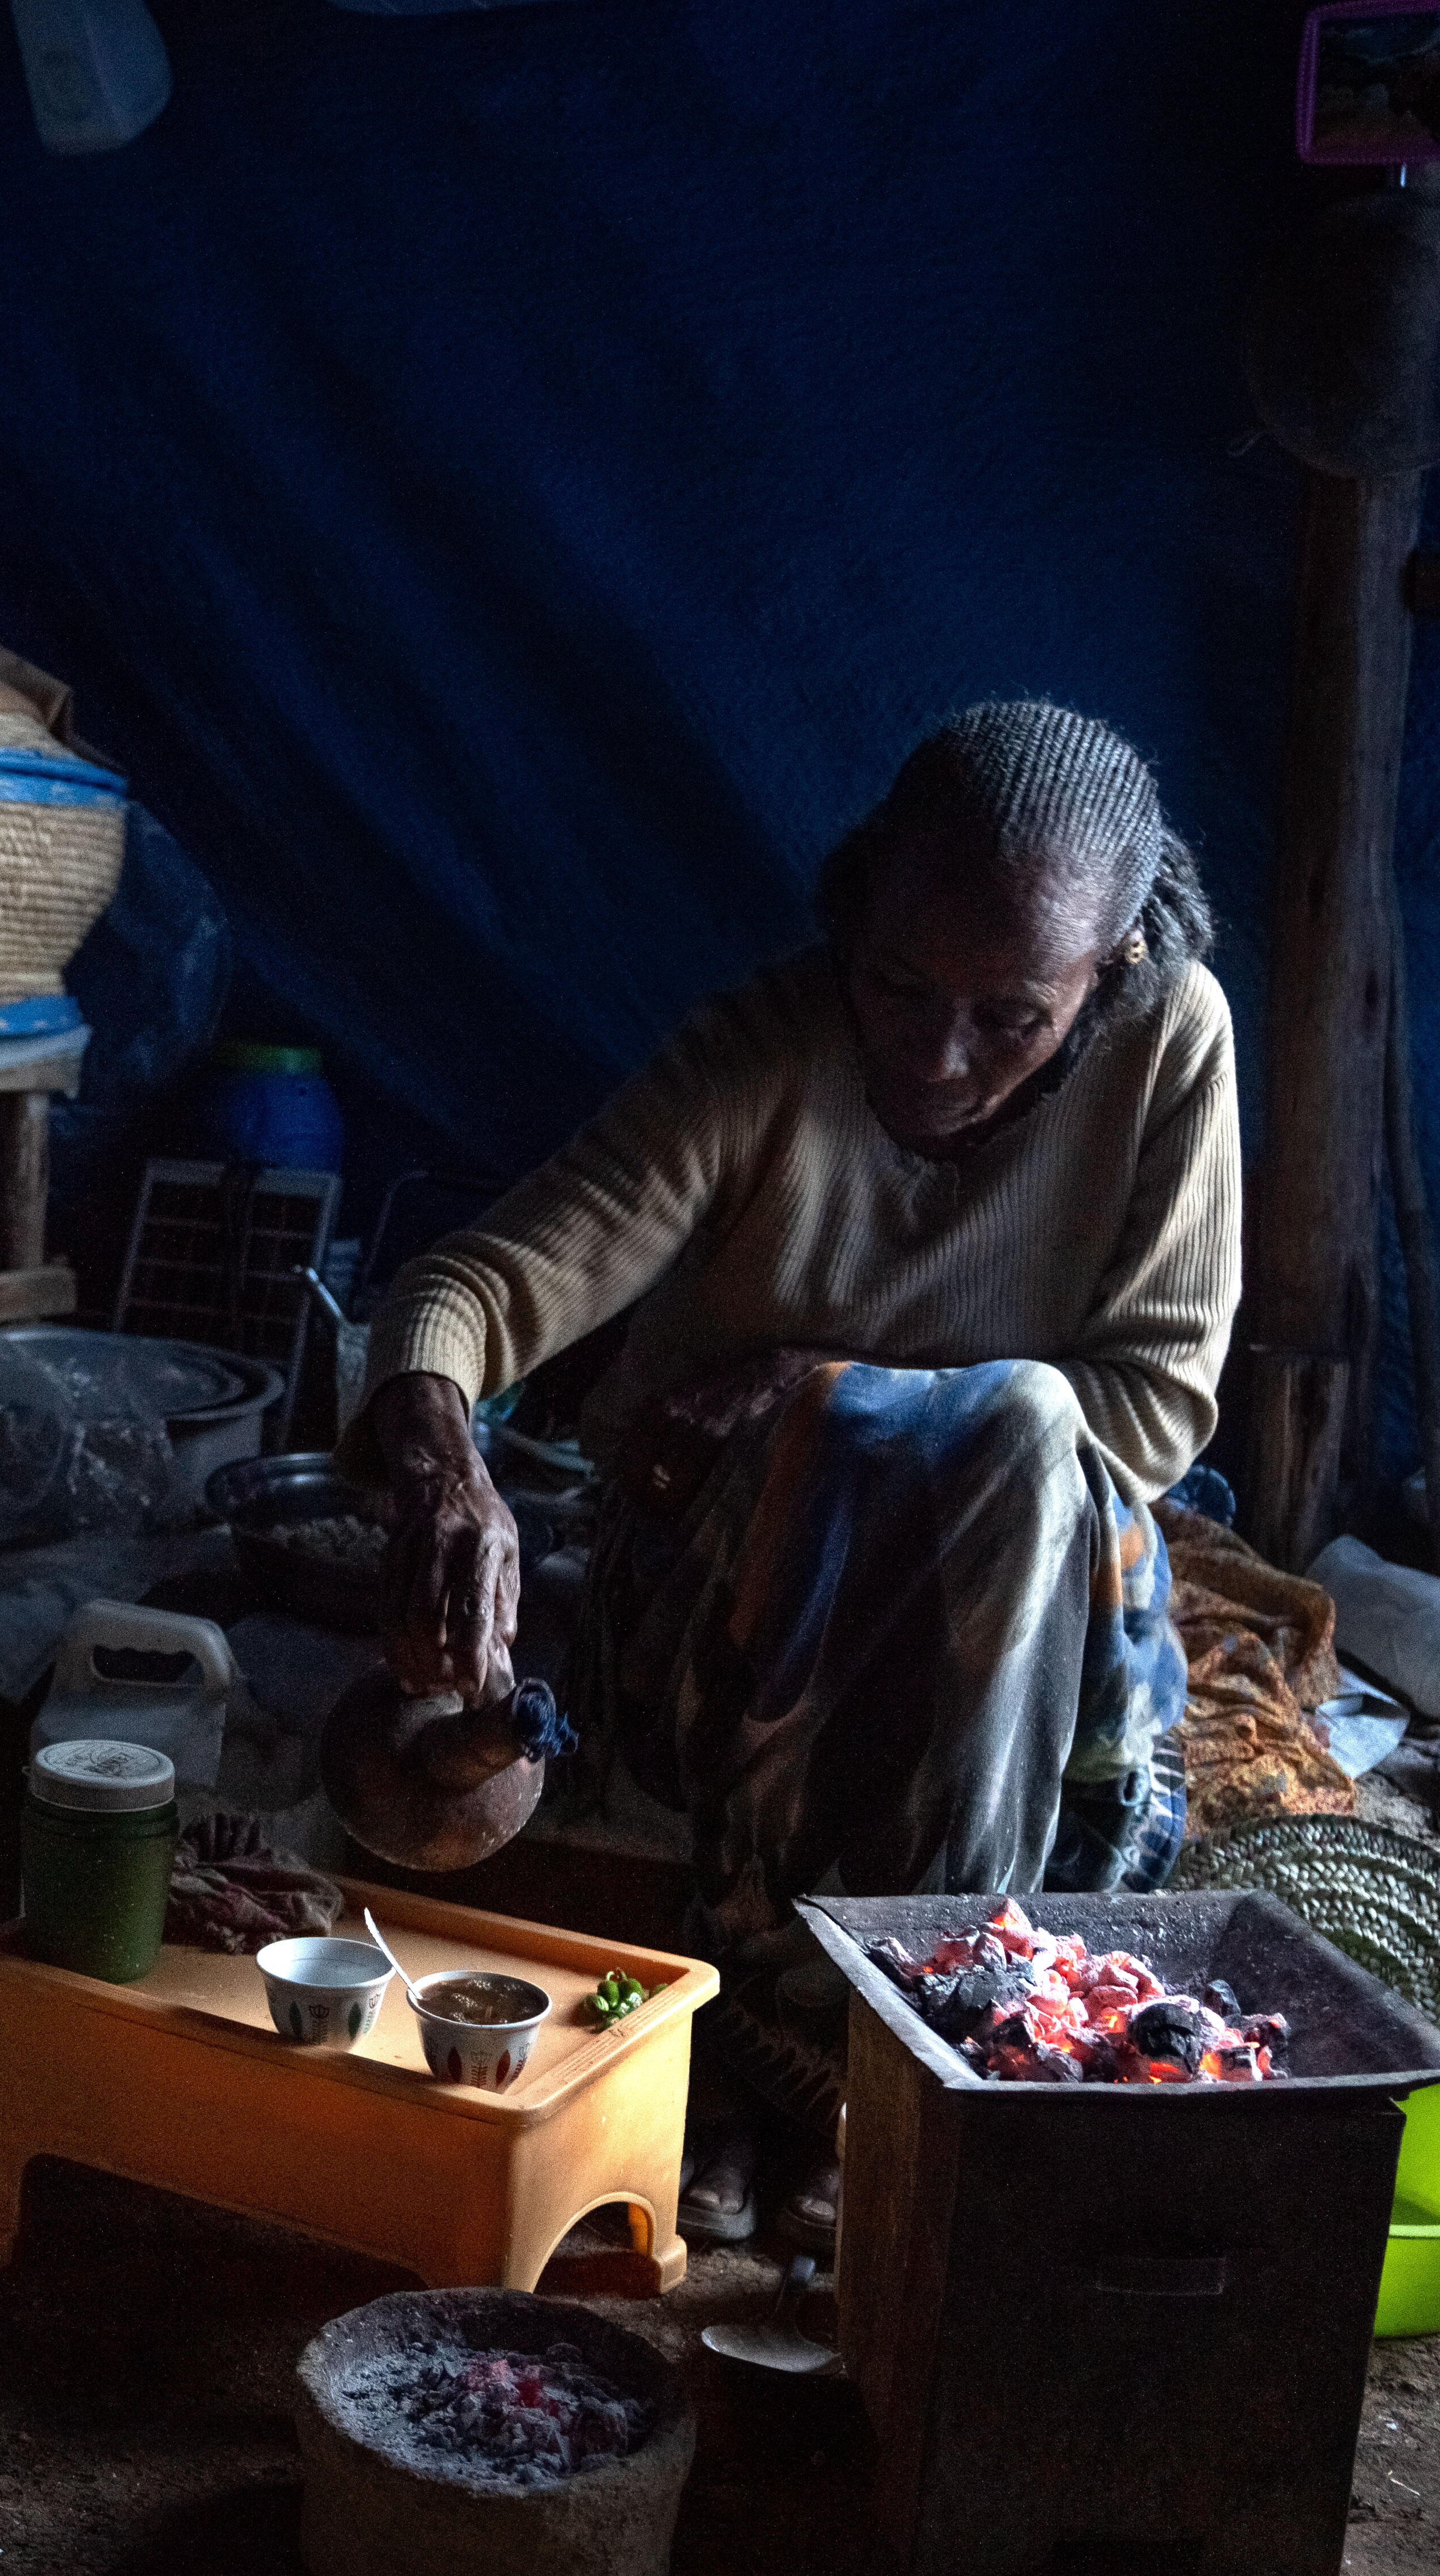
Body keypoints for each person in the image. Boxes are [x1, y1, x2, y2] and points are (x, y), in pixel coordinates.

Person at [358, 701, 1239, 2243]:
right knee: (860, 1461)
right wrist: (445, 1464)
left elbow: (1149, 1416)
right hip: (728, 1617)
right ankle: (827, 2072)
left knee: (1026, 1437)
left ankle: (847, 2067)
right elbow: (470, 1293)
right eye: (898, 982)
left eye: (1011, 1017)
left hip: (1008, 1625)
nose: (938, 1051)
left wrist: (835, 1385)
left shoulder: (1173, 1045)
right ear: (854, 910)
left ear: (1111, 975)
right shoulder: (771, 1050)